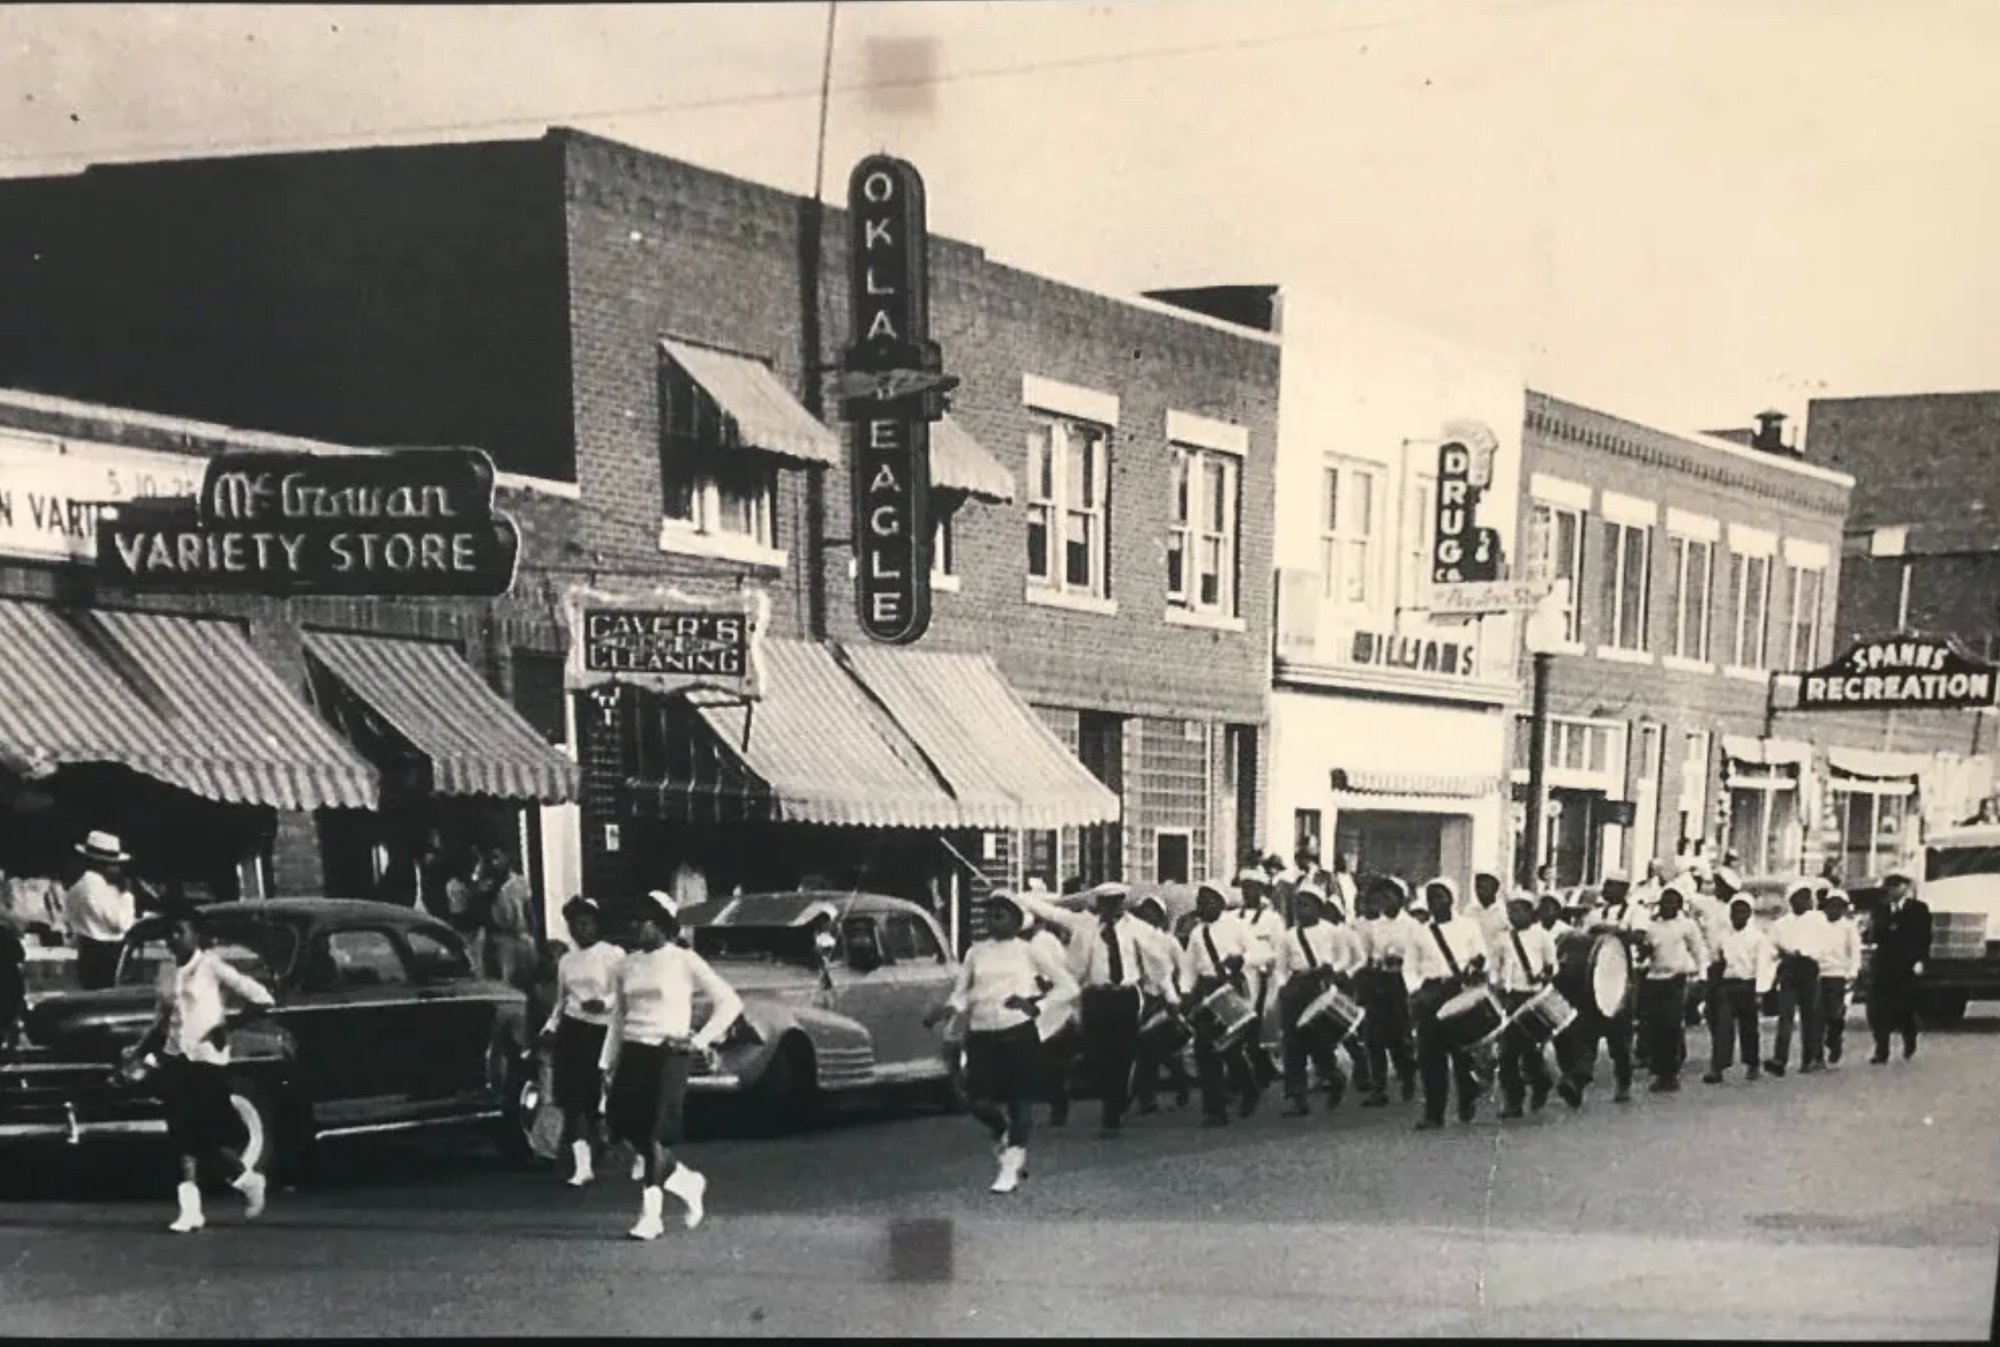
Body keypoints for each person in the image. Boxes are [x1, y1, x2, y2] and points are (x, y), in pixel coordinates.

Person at [120, 903, 276, 1233]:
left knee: (208, 1139)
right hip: (176, 1060)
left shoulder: (211, 966)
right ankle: (191, 1211)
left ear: (196, 935)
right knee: (181, 1136)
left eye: (180, 931)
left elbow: (261, 998)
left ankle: (248, 1181)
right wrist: (138, 1052)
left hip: (208, 1061)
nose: (173, 939)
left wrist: (227, 1027)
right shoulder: (165, 973)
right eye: (169, 933)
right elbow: (161, 1022)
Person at [598, 892, 744, 1240]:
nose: (635, 928)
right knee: (624, 1128)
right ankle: (686, 1181)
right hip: (633, 1051)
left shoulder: (684, 960)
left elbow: (729, 1002)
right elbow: (619, 1017)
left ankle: (652, 1216)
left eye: (642, 921)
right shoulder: (625, 965)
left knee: (652, 1134)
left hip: (667, 1055)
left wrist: (698, 1040)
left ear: (660, 924)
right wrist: (606, 1061)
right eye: (631, 922)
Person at [925, 892, 1076, 1194]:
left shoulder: (1029, 950)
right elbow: (963, 991)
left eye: (1000, 914)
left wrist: (1036, 1006)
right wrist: (948, 1009)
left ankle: (1010, 1167)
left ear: (1017, 919)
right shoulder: (975, 952)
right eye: (989, 914)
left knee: (1021, 1101)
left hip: (1018, 1033)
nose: (993, 919)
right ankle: (1002, 1130)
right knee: (978, 1101)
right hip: (982, 1034)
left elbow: (1067, 986)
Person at [1016, 882, 1177, 1138]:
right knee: (1099, 1054)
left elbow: (1158, 965)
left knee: (1122, 1055)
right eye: (1105, 903)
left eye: (1116, 902)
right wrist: (1020, 898)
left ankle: (1112, 1115)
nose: (1111, 908)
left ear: (1123, 903)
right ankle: (1112, 1098)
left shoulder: (1138, 929)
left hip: (1125, 996)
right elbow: (1053, 914)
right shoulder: (1084, 925)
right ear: (1098, 904)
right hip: (1096, 996)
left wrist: (1171, 996)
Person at [538, 899, 624, 1188]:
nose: (579, 930)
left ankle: (613, 1141)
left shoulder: (613, 955)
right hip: (573, 1028)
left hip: (603, 1029)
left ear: (596, 925)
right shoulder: (567, 961)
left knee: (599, 1093)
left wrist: (606, 1002)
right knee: (570, 1096)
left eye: (585, 923)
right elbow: (561, 1001)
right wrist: (550, 1027)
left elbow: (622, 993)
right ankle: (582, 1164)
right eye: (574, 925)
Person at [1405, 878, 1491, 1130]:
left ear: (1451, 899)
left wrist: (1477, 965)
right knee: (1430, 1055)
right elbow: (1410, 967)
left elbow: (1482, 956)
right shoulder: (1419, 932)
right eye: (1431, 897)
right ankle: (1434, 1113)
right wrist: (1417, 991)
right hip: (1431, 992)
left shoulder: (1468, 926)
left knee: (1463, 1052)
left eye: (1440, 896)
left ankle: (1467, 1095)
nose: (1435, 902)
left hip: (1459, 990)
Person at [1271, 885, 1359, 1117]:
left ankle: (1332, 1075)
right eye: (1297, 905)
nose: (1300, 910)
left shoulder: (1332, 931)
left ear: (1319, 908)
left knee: (1318, 1039)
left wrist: (1334, 969)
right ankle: (1296, 1098)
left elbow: (1345, 957)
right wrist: (1282, 987)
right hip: (1296, 986)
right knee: (1293, 1044)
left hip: (1320, 985)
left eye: (1306, 904)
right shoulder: (1289, 936)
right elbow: (1280, 967)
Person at [1180, 882, 1262, 1127]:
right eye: (1199, 902)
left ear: (1221, 903)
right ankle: (1214, 1109)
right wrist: (1185, 993)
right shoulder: (1197, 933)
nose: (1201, 906)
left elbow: (1263, 953)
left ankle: (1248, 1088)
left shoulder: (1237, 927)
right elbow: (1189, 967)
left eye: (1207, 901)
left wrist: (1242, 959)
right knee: (1205, 1050)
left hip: (1230, 988)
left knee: (1230, 1048)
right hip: (1207, 990)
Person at [1487, 893, 1558, 1119]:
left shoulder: (1542, 936)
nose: (1513, 915)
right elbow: (1495, 966)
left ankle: (1541, 1082)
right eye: (1510, 911)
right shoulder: (1502, 939)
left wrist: (1546, 973)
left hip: (1534, 997)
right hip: (1510, 997)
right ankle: (1513, 1101)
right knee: (1507, 1052)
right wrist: (1496, 984)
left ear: (1530, 912)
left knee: (1531, 1050)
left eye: (1518, 910)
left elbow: (1552, 964)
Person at [1634, 884, 1708, 1093]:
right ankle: (1659, 1069)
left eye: (1672, 902)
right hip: (1653, 978)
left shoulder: (1687, 926)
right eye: (1665, 902)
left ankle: (1670, 1072)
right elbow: (1643, 953)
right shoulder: (1651, 926)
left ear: (1679, 905)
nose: (1668, 906)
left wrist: (1703, 976)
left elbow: (1699, 949)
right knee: (1653, 1026)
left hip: (1675, 979)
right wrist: (1643, 953)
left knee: (1672, 1025)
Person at [1126, 895, 1193, 1116]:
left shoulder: (1169, 942)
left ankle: (1177, 1080)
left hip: (1164, 999)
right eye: (1142, 913)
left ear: (1160, 917)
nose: (1146, 917)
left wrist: (1179, 995)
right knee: (1146, 1051)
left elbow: (1182, 968)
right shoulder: (1134, 940)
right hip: (1143, 997)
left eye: (1151, 912)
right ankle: (1148, 1097)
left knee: (1152, 1046)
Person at [1357, 877, 1419, 1106]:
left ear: (1401, 899)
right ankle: (1378, 1087)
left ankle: (1407, 1076)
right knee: (1373, 1037)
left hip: (1400, 981)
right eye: (1381, 896)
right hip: (1379, 980)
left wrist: (1400, 961)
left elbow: (1416, 955)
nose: (1385, 901)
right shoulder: (1376, 926)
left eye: (1389, 896)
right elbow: (1368, 953)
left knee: (1398, 1036)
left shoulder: (1412, 926)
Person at [1581, 873, 1642, 1103]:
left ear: (1624, 889)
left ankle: (1623, 1082)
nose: (1605, 889)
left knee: (1619, 1035)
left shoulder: (1636, 912)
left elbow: (1639, 936)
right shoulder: (1595, 913)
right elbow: (1583, 938)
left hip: (1623, 978)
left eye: (1611, 885)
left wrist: (1614, 931)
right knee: (1589, 1031)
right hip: (1595, 977)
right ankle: (1580, 1079)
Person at [1703, 896, 1775, 1085]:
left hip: (1748, 984)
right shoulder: (1723, 936)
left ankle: (1752, 1063)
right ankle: (1717, 1067)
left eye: (1743, 911)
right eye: (1735, 911)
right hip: (1727, 985)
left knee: (1749, 1027)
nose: (1738, 916)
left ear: (1749, 914)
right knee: (1723, 1027)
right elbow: (1713, 957)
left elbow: (1762, 965)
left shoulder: (1758, 937)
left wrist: (1760, 992)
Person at [1866, 868, 1932, 1064]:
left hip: (1907, 965)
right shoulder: (1880, 908)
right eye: (1891, 886)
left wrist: (1921, 960)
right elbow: (1875, 935)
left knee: (1904, 1008)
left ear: (1906, 887)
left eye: (1898, 885)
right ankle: (1881, 1049)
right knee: (1878, 1010)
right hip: (1883, 965)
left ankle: (1909, 1039)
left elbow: (1925, 937)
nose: (1894, 890)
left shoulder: (1918, 909)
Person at [1766, 882, 1828, 1077]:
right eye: (1800, 897)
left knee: (1811, 1015)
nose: (1805, 901)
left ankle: (1811, 1058)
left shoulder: (1818, 920)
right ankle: (1780, 1058)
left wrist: (1807, 953)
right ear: (1791, 900)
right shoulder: (1781, 924)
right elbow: (1770, 947)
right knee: (1785, 1015)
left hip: (1809, 967)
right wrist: (1782, 953)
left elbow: (1824, 946)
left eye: (1807, 897)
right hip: (1789, 969)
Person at [64, 831, 139, 991]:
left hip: (89, 950)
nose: (118, 868)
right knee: (105, 998)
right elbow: (122, 923)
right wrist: (127, 894)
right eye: (114, 863)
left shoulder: (81, 885)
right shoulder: (94, 886)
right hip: (103, 954)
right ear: (102, 864)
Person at [1231, 871, 1284, 1089]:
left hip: (1264, 976)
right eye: (1244, 887)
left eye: (1252, 887)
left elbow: (1278, 950)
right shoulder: (1234, 916)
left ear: (1262, 890)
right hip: (1240, 976)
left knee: (1258, 1025)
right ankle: (1256, 1069)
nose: (1247, 892)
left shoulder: (1272, 919)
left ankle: (1261, 1069)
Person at [1817, 889, 1863, 1066]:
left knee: (1835, 1015)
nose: (1833, 910)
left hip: (1838, 975)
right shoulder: (1818, 926)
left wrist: (1852, 974)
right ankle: (1817, 1054)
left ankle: (1834, 1041)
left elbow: (1854, 952)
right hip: (1820, 974)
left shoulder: (1848, 928)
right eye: (1831, 905)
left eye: (1838, 906)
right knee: (1817, 1015)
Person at [483, 850, 539, 991]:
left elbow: (528, 908)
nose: (495, 863)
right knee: (508, 979)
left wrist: (533, 934)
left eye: (497, 858)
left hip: (522, 935)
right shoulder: (488, 884)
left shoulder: (519, 881)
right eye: (491, 860)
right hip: (502, 938)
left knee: (528, 977)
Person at [1470, 872, 1511, 947]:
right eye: (1477, 887)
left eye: (1484, 888)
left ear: (1495, 889)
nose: (1480, 891)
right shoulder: (1469, 910)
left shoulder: (1504, 913)